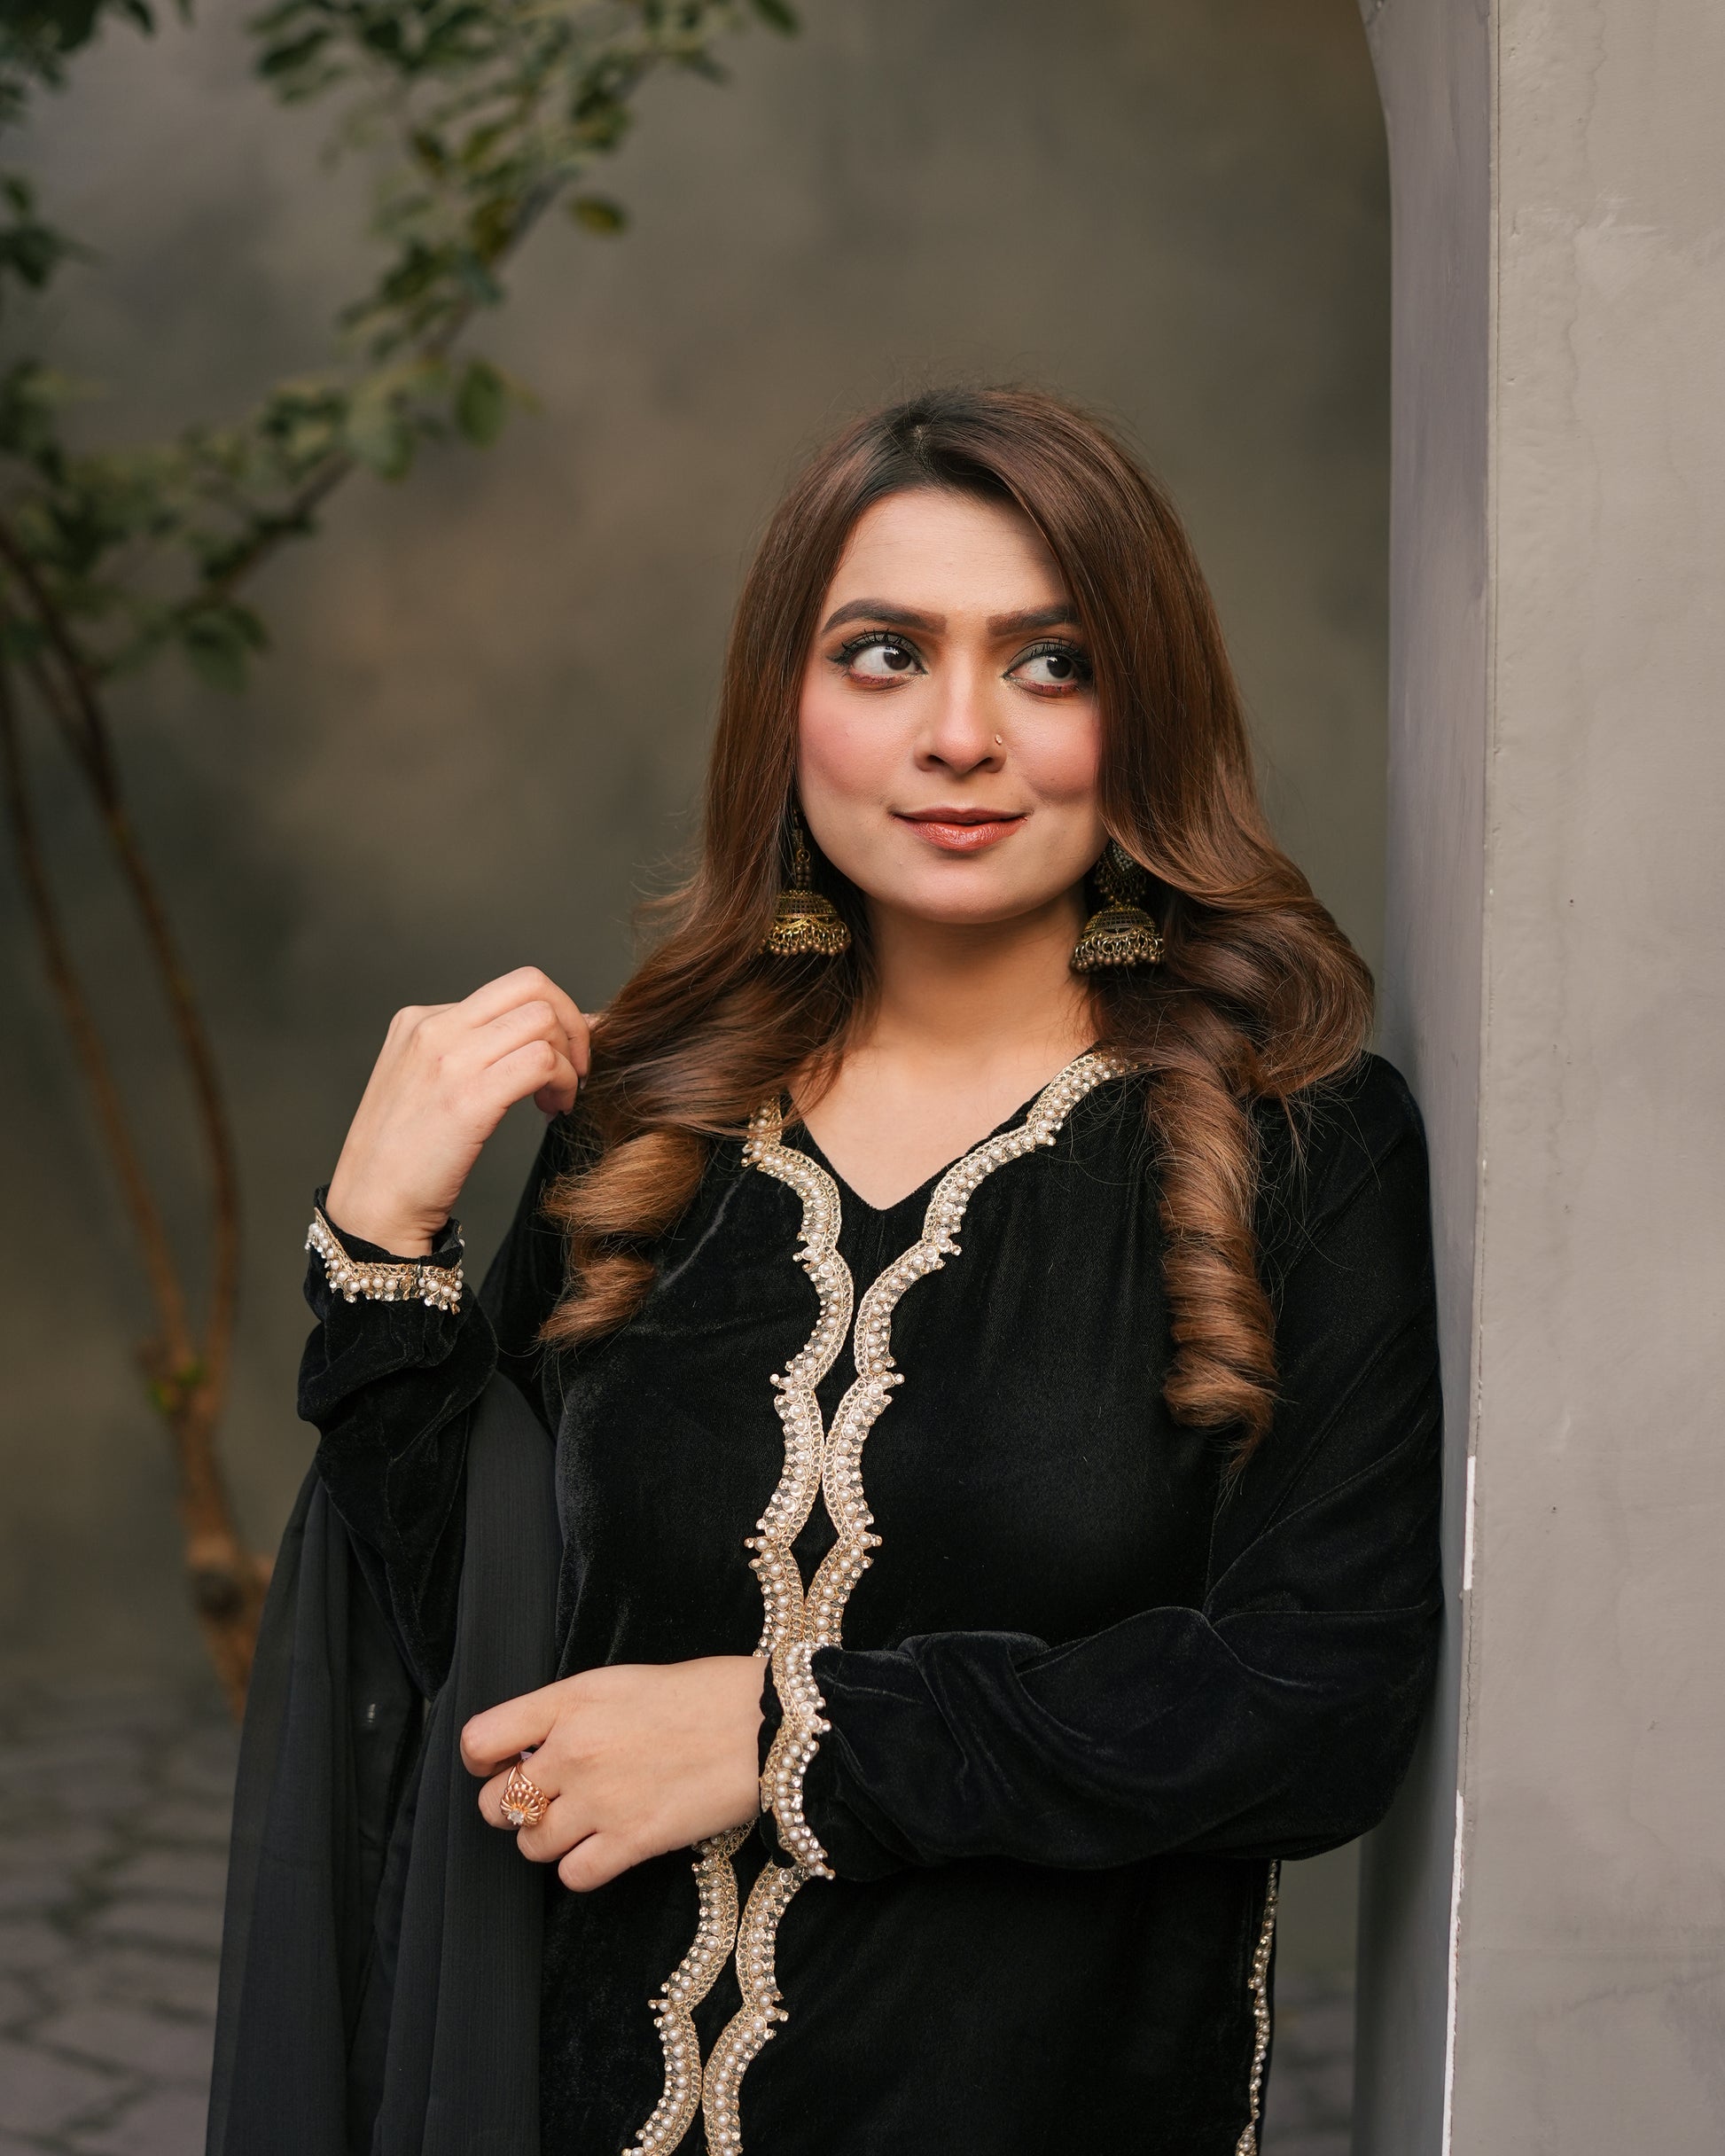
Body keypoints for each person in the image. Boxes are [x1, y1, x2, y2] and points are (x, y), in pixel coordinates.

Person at [261, 388, 1441, 2156]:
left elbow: (1314, 1701)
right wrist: (380, 1251)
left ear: (1144, 713)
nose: (959, 736)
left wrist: (786, 1735)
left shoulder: (1295, 1142)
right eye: (884, 655)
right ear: (784, 705)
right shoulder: (655, 1119)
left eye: (1049, 664)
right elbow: (482, 1637)